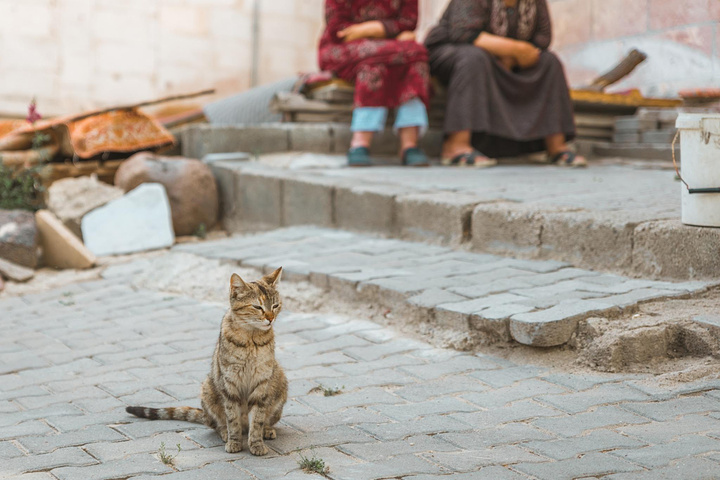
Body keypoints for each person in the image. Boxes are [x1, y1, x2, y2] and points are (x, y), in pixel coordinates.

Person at [424, 0, 585, 167]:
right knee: (474, 58)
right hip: (454, 51)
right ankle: (455, 145)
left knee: (549, 62)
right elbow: (463, 33)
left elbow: (543, 38)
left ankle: (556, 147)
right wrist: (513, 50)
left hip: (508, 59)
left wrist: (512, 55)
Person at [318, 0, 431, 167]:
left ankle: (409, 143)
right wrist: (384, 31)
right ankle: (360, 141)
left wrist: (367, 30)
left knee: (416, 56)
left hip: (392, 48)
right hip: (341, 48)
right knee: (379, 58)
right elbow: (339, 30)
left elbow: (409, 22)